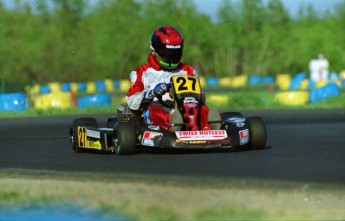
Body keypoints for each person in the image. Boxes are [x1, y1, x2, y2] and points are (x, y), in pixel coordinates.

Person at [126, 26, 219, 131]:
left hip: (185, 111)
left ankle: (210, 126)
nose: (170, 58)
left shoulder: (188, 71)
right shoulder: (140, 73)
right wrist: (151, 93)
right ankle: (171, 129)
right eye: (166, 53)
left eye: (175, 54)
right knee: (154, 112)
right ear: (154, 50)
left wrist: (180, 94)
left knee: (201, 109)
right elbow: (131, 101)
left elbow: (201, 98)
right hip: (159, 113)